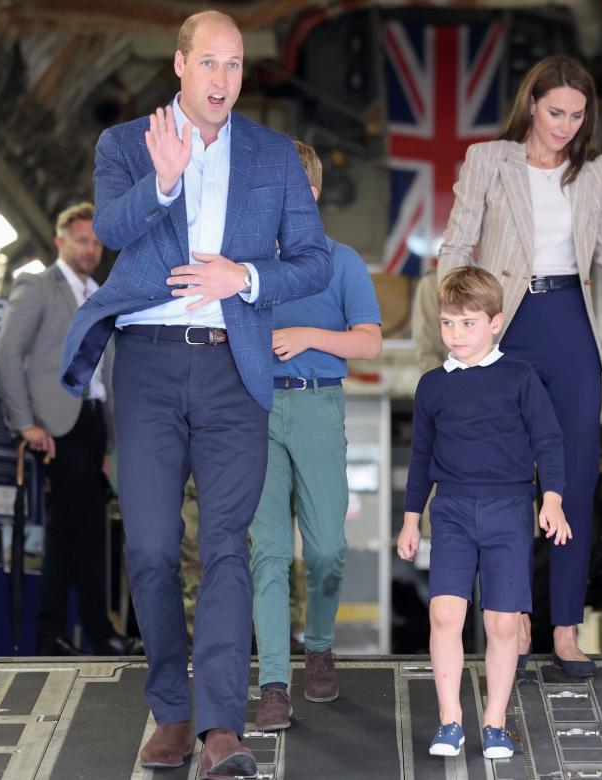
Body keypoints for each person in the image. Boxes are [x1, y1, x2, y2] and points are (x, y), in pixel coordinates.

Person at [59, 11, 331, 777]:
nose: (223, 80)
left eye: (235, 65)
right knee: (148, 548)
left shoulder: (275, 158)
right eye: (208, 64)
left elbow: (310, 262)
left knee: (225, 550)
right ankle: (169, 712)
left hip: (229, 366)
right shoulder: (123, 145)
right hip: (143, 366)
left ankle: (218, 727)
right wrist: (166, 179)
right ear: (179, 66)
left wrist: (242, 278)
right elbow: (110, 227)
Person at [437, 55, 602, 676]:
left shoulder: (595, 171)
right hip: (506, 324)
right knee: (502, 480)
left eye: (578, 116)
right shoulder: (488, 161)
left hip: (570, 328)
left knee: (573, 479)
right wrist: (461, 324)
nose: (566, 126)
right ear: (531, 105)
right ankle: (512, 618)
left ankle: (567, 630)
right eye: (556, 112)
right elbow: (455, 245)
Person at [396, 267, 571, 760]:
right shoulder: (432, 385)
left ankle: (494, 722)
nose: (456, 334)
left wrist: (552, 497)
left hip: (509, 511)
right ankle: (450, 720)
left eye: (468, 323)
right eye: (448, 323)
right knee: (444, 612)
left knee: (501, 624)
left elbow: (548, 440)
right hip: (450, 510)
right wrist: (411, 518)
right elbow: (421, 458)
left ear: (496, 322)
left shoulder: (520, 377)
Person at [250, 140, 383, 731]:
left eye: (299, 188)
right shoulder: (247, 263)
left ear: (315, 192)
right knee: (270, 553)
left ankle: (320, 645)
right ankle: (274, 681)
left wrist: (308, 335)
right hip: (254, 412)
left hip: (318, 407)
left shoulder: (342, 261)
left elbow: (370, 341)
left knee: (328, 549)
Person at [0, 203, 136, 657]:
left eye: (96, 241)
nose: (90, 248)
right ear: (60, 241)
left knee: (67, 533)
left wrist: (111, 442)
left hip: (94, 423)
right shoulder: (37, 286)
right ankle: (97, 631)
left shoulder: (100, 295)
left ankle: (51, 633)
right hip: (57, 426)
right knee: (88, 531)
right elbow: (7, 357)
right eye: (81, 239)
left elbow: (109, 372)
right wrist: (25, 424)